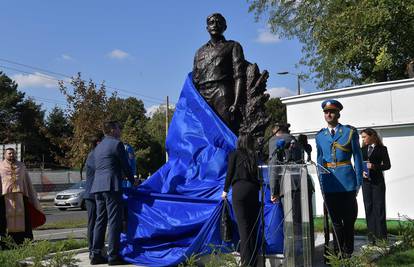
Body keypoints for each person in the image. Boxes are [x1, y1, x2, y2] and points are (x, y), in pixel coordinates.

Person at [315, 99, 363, 257]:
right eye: (326, 112)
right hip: (329, 184)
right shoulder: (320, 136)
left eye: (332, 111)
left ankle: (348, 252)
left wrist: (358, 182)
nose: (328, 114)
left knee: (348, 221)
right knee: (335, 221)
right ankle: (337, 253)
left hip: (347, 183)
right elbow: (320, 161)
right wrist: (321, 184)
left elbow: (357, 157)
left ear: (338, 114)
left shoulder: (349, 132)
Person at [90, 121, 136, 265]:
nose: (120, 130)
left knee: (100, 221)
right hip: (112, 186)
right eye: (118, 127)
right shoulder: (117, 144)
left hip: (97, 187)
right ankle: (113, 256)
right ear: (112, 130)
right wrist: (133, 180)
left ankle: (96, 254)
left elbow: (104, 166)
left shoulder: (98, 147)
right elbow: (125, 165)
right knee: (114, 221)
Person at [193, 13, 246, 133]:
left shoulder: (233, 46)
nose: (215, 25)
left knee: (225, 128)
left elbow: (239, 75)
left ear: (225, 27)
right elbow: (195, 79)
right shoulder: (199, 52)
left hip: (221, 92)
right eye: (211, 22)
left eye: (219, 22)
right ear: (207, 28)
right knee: (205, 131)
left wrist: (236, 102)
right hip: (202, 94)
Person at [221, 134, 260, 267]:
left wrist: (225, 191)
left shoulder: (234, 154)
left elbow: (230, 173)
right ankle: (254, 262)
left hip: (240, 190)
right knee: (253, 229)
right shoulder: (254, 155)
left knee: (244, 230)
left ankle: (246, 263)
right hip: (254, 191)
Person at [0, 148, 45, 246]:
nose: (11, 155)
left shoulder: (21, 166)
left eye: (13, 153)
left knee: (24, 219)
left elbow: (27, 182)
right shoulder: (0, 166)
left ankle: (24, 241)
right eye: (9, 153)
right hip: (5, 197)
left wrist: (30, 194)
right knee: (4, 220)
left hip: (20, 196)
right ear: (4, 154)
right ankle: (6, 243)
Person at [360, 128, 391, 244]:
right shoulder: (361, 150)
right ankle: (371, 238)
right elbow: (357, 165)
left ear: (372, 136)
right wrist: (360, 172)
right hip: (366, 183)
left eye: (364, 137)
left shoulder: (382, 149)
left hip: (378, 183)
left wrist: (375, 166)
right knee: (369, 209)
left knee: (379, 209)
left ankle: (382, 239)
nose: (363, 139)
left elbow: (387, 165)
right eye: (362, 137)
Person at [84, 133, 104, 259]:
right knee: (93, 223)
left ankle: (97, 247)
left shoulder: (96, 155)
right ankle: (92, 248)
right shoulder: (93, 156)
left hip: (96, 193)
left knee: (98, 222)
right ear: (98, 143)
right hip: (91, 195)